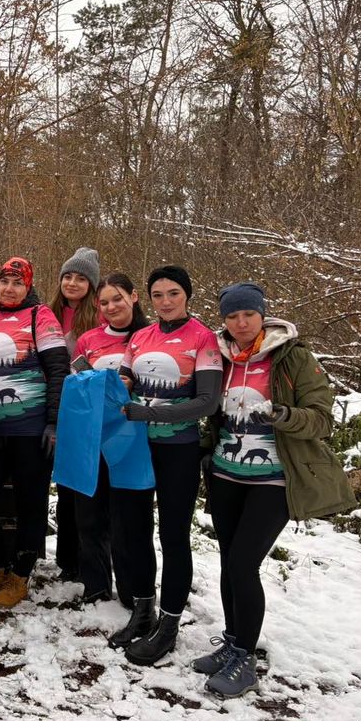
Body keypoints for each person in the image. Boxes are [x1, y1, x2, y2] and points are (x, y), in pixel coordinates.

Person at [194, 282, 353, 698]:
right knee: (230, 561)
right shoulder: (220, 359)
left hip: (274, 480)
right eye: (232, 316)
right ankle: (232, 641)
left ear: (263, 314)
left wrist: (284, 414)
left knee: (244, 564)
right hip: (226, 475)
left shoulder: (293, 358)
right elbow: (215, 413)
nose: (241, 323)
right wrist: (206, 452)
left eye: (248, 314)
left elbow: (321, 418)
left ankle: (244, 658)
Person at [113, 265, 222, 665]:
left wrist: (150, 414)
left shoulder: (204, 339)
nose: (165, 301)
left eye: (173, 293)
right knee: (134, 532)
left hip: (178, 449)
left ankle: (170, 625)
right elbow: (125, 381)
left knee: (174, 538)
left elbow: (208, 402)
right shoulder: (140, 337)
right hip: (136, 449)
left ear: (187, 295)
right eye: (157, 295)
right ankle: (143, 612)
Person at [0, 257, 69, 609]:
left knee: (30, 502)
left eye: (17, 283)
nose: (10, 288)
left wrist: (53, 421)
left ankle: (22, 573)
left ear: (28, 286)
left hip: (31, 429)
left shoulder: (41, 316)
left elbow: (58, 370)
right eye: (4, 281)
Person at [68, 273, 147, 605]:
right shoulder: (88, 339)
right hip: (92, 435)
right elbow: (78, 384)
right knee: (89, 513)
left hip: (133, 438)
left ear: (134, 296)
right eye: (104, 302)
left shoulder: (148, 336)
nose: (111, 306)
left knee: (126, 519)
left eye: (118, 298)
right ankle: (96, 585)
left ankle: (132, 592)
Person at [49, 247, 102, 583]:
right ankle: (65, 558)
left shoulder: (98, 314)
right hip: (57, 405)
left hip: (86, 409)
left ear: (92, 285)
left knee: (85, 486)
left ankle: (87, 558)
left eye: (81, 278)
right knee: (64, 484)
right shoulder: (48, 313)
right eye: (68, 276)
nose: (72, 282)